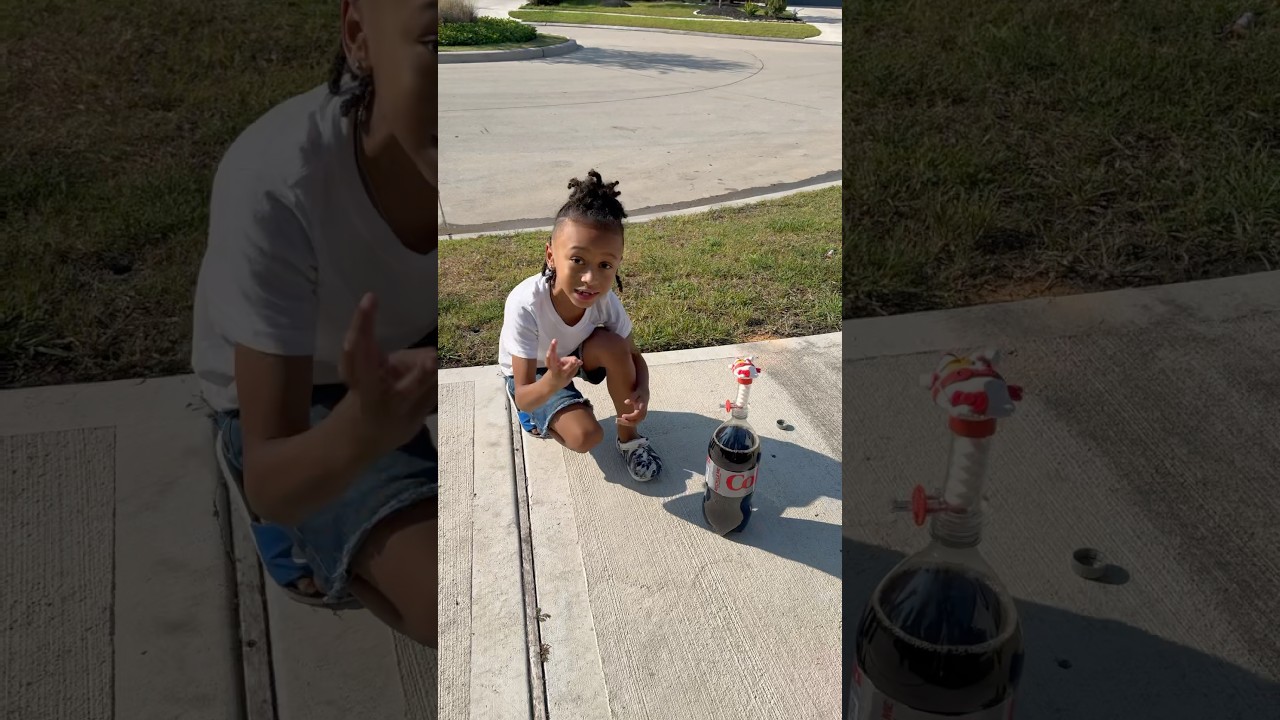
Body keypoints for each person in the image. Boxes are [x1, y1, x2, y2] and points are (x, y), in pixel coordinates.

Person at [190, 0, 439, 647]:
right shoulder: (276, 183)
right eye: (442, 44)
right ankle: (304, 530)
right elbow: (274, 481)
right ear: (359, 36)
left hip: (411, 336)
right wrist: (360, 431)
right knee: (456, 604)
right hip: (311, 382)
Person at [498, 170, 664, 482]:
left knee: (614, 345)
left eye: (605, 265)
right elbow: (523, 393)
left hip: (573, 354)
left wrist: (643, 389)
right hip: (534, 372)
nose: (591, 279)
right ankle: (542, 417)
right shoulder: (525, 304)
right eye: (578, 260)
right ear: (551, 255)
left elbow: (634, 356)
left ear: (617, 264)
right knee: (586, 436)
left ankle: (630, 438)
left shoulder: (604, 300)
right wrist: (552, 382)